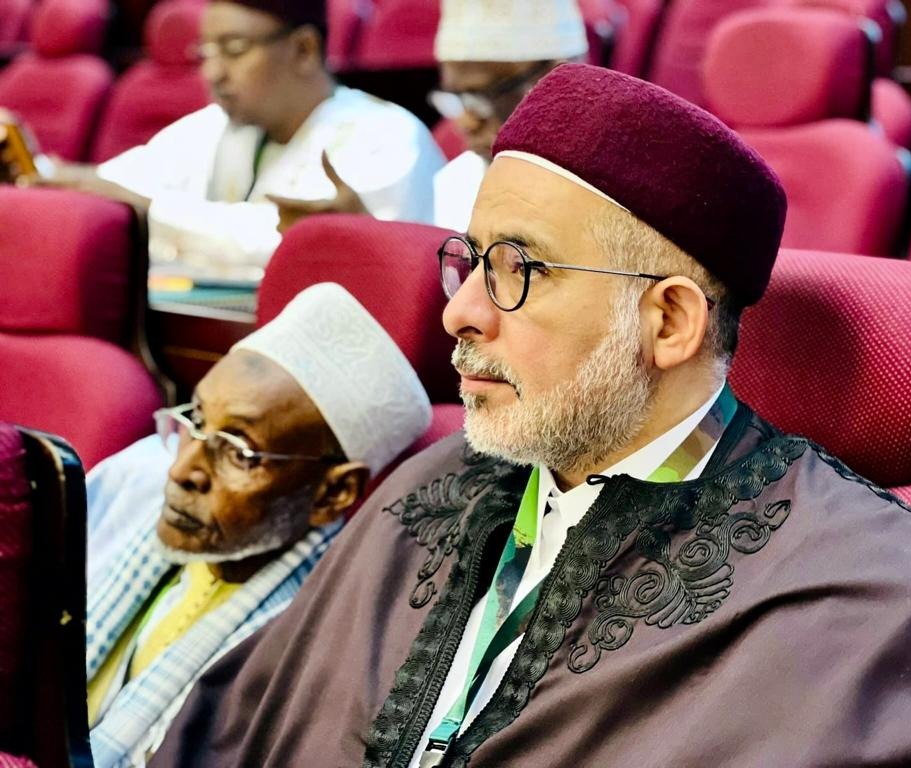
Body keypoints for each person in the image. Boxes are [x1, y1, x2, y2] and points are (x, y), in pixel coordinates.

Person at [149, 64, 911, 767]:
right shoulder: (434, 483)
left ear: (669, 322)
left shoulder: (848, 578)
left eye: (520, 269)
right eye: (471, 261)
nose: (460, 312)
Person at [84, 282, 432, 767]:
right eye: (196, 419)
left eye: (238, 451)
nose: (182, 470)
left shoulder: (317, 640)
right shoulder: (132, 480)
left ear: (332, 493)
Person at [45, 0, 445, 274]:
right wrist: (48, 174)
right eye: (206, 53)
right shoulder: (221, 124)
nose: (212, 73)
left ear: (304, 49)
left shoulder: (386, 136)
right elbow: (119, 182)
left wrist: (149, 209)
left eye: (234, 50)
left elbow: (285, 247)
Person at [429, 0, 588, 231]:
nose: (466, 122)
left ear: (559, 78)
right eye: (457, 98)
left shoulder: (617, 194)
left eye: (480, 97)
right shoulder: (456, 184)